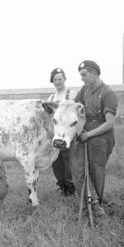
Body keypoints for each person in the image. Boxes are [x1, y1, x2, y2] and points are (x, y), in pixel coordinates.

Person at [70, 60, 118, 224]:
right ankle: (91, 202)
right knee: (79, 170)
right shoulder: (85, 89)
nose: (82, 79)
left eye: (84, 75)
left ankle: (97, 207)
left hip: (101, 138)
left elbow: (110, 123)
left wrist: (89, 134)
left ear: (94, 73)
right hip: (84, 135)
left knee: (96, 172)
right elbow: (75, 105)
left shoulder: (107, 93)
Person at [47, 68, 77, 196]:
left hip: (68, 132)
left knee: (69, 158)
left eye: (60, 79)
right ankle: (61, 185)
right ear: (52, 81)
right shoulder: (51, 97)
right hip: (56, 132)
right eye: (55, 79)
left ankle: (70, 186)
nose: (57, 81)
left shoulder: (72, 94)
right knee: (56, 159)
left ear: (64, 79)